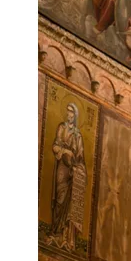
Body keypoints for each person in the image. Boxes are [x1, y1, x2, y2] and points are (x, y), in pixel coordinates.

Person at [49, 103, 87, 251]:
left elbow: (81, 156)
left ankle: (65, 236)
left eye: (72, 113)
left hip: (72, 170)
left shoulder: (78, 135)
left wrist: (77, 163)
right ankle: (55, 231)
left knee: (69, 202)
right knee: (60, 198)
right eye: (68, 112)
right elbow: (55, 146)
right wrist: (65, 151)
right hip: (62, 168)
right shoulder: (62, 128)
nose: (69, 115)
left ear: (75, 116)